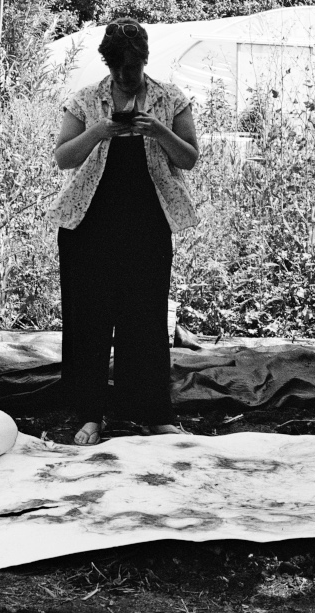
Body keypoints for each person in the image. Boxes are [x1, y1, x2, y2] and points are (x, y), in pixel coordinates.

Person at [50, 17, 200, 446]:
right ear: (107, 64)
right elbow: (63, 158)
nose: (123, 76)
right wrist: (101, 130)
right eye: (116, 69)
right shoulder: (85, 99)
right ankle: (90, 414)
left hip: (147, 224)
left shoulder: (171, 99)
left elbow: (188, 159)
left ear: (144, 61)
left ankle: (152, 413)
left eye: (131, 68)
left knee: (145, 318)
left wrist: (159, 130)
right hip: (89, 225)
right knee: (90, 319)